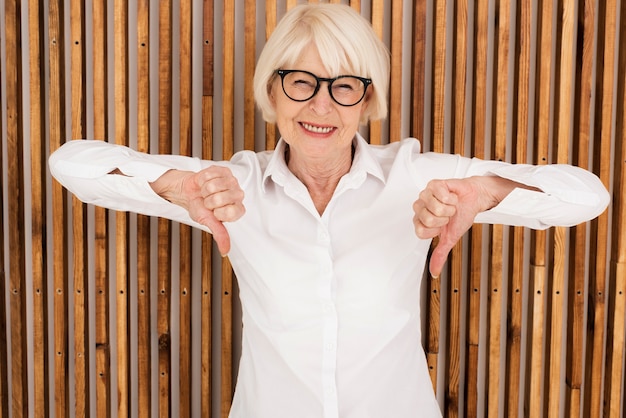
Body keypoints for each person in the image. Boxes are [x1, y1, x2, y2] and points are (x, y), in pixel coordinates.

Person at [49, 4, 609, 417]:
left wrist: (485, 191)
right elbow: (70, 164)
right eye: (301, 82)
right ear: (272, 92)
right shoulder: (229, 187)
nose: (321, 105)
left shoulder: (416, 176)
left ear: (368, 98)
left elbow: (588, 195)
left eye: (344, 86)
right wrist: (175, 186)